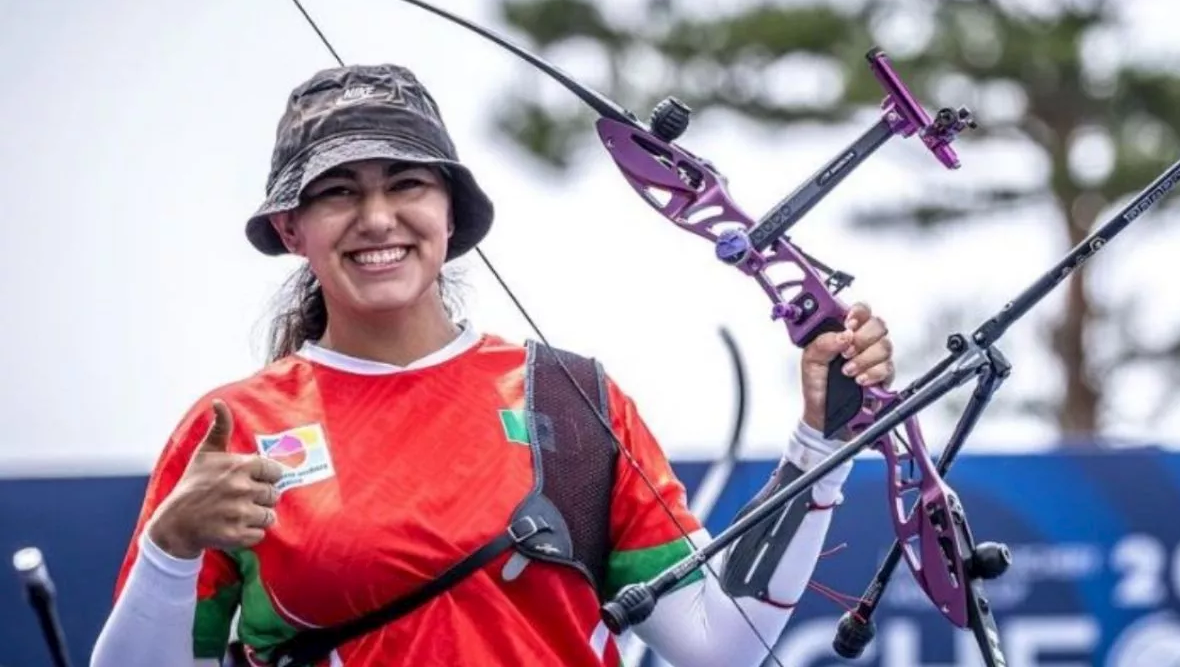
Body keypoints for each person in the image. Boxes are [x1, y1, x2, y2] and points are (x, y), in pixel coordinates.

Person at [89, 63, 897, 667]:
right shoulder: (236, 430)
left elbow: (721, 647)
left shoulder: (571, 399)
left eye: (406, 184)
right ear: (291, 229)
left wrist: (821, 449)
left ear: (449, 216)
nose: (377, 218)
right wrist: (171, 546)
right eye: (337, 193)